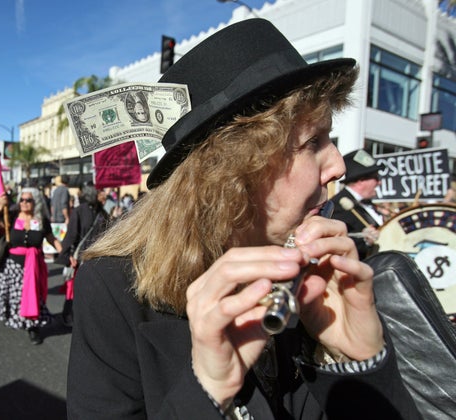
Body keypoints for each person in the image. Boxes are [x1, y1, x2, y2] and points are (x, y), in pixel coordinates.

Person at [67, 19, 419, 419]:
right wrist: (207, 390)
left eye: (331, 140)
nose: (338, 165)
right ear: (231, 170)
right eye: (312, 143)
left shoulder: (323, 274)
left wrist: (360, 363)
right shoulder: (114, 285)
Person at [0, 188, 62, 345]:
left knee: (34, 298)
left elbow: (52, 239)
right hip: (14, 266)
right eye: (22, 200)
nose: (24, 203)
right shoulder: (11, 216)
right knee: (16, 299)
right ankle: (19, 321)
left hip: (34, 267)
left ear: (36, 202)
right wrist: (0, 205)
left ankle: (33, 328)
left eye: (28, 200)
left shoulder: (41, 220)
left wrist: (66, 254)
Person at [56, 184, 109, 326]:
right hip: (80, 259)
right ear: (93, 194)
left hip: (96, 258)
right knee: (73, 290)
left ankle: (87, 316)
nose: (103, 193)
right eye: (100, 191)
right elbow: (71, 235)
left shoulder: (102, 212)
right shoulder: (79, 211)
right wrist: (67, 256)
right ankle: (69, 316)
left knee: (92, 289)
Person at [330, 149, 383, 260]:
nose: (379, 182)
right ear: (361, 181)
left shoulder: (368, 204)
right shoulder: (337, 206)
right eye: (376, 178)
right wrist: (366, 242)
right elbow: (338, 242)